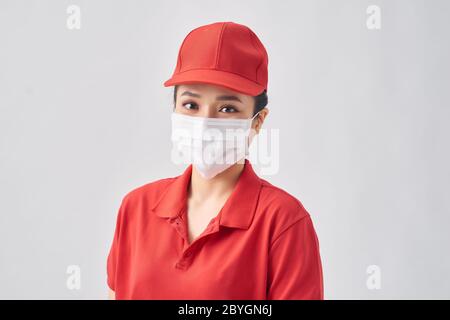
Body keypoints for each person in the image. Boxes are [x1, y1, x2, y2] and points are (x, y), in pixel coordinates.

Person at [107, 21, 323, 300]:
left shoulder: (283, 222)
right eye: (191, 105)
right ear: (173, 107)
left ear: (258, 121)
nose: (204, 123)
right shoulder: (135, 209)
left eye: (227, 108)